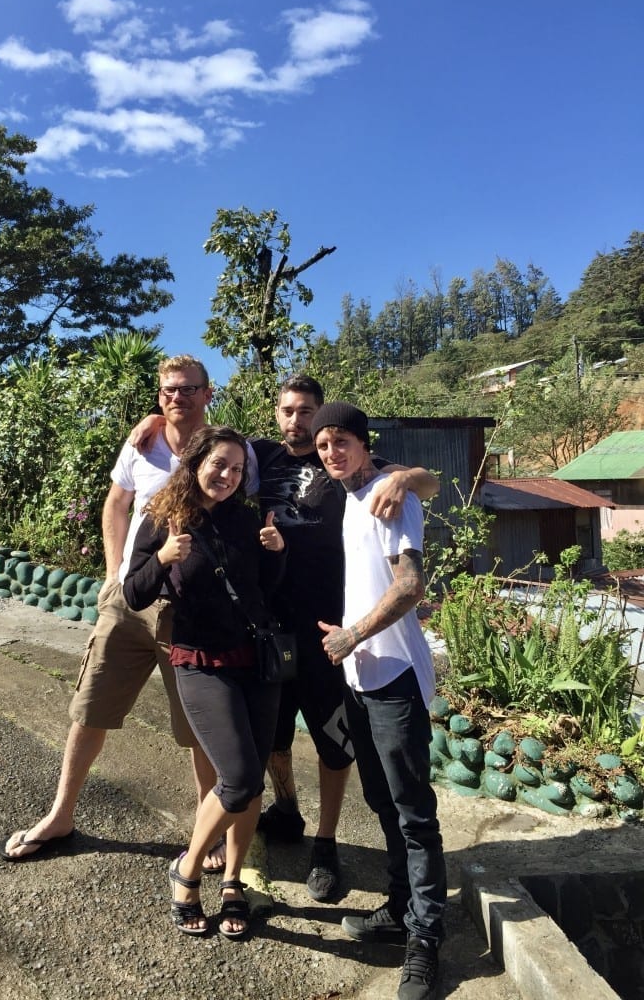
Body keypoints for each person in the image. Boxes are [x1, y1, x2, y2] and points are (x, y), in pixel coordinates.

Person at [0, 355, 252, 873]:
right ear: (159, 397)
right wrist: (114, 573)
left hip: (191, 614)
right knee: (90, 708)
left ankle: (208, 836)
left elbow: (248, 513)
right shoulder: (143, 442)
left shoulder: (231, 449)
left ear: (208, 393)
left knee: (199, 732)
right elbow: (116, 503)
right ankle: (60, 815)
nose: (176, 398)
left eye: (187, 389)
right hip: (132, 599)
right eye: (167, 391)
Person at [251, 375, 439, 902]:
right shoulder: (260, 457)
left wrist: (409, 479)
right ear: (276, 413)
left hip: (333, 633)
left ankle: (326, 844)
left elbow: (425, 483)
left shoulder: (351, 466)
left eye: (306, 411)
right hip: (271, 628)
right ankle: (286, 807)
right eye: (288, 410)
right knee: (275, 739)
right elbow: (202, 454)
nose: (298, 421)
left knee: (336, 745)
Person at [123, 425, 285, 939]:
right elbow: (133, 594)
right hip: (199, 661)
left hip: (256, 662)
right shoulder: (163, 517)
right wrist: (165, 557)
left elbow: (264, 591)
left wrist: (277, 552)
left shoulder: (248, 518)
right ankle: (188, 871)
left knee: (253, 776)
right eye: (219, 464)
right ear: (195, 462)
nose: (228, 475)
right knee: (236, 777)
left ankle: (234, 879)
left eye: (237, 468)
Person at [311, 402, 446, 1000]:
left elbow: (410, 586)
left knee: (413, 812)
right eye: (323, 445)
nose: (332, 452)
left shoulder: (393, 499)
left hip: (392, 676)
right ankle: (399, 909)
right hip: (360, 680)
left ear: (365, 445)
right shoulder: (350, 495)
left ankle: (426, 942)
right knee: (382, 801)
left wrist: (353, 634)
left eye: (341, 441)